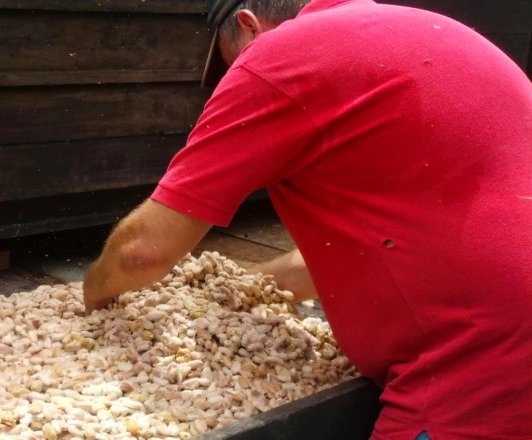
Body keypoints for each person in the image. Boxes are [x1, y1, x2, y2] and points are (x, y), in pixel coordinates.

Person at [82, 0, 532, 438]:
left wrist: (91, 295)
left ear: (250, 26)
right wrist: (240, 289)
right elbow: (346, 254)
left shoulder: (279, 56)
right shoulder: (413, 32)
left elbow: (143, 253)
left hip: (488, 357)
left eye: (230, 63)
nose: (234, 80)